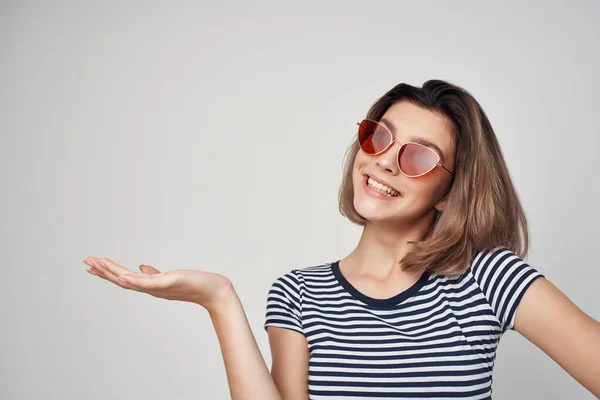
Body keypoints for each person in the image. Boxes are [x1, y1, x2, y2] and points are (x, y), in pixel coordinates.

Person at [83, 80, 600, 400]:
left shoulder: (489, 279)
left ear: (450, 191)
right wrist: (218, 300)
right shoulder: (298, 295)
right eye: (379, 136)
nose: (384, 160)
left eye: (418, 157)